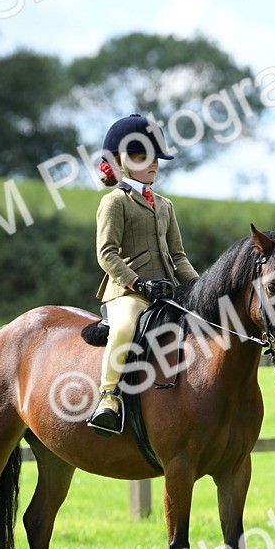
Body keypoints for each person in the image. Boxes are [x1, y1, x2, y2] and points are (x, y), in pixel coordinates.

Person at [87, 114, 200, 435]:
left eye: (155, 158)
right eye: (141, 157)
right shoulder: (114, 202)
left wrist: (200, 288)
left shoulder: (165, 205)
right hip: (128, 292)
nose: (152, 164)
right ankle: (108, 397)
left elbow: (178, 257)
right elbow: (106, 254)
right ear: (120, 162)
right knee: (124, 328)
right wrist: (138, 283)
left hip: (166, 290)